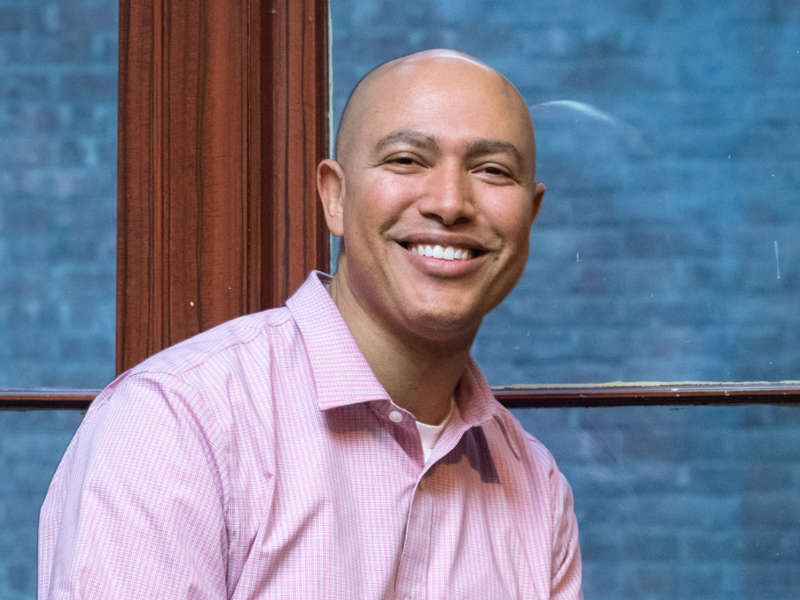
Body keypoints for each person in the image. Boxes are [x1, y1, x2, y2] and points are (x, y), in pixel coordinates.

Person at [39, 49, 582, 599]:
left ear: (530, 217)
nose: (449, 203)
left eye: (492, 170)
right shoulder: (176, 425)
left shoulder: (535, 486)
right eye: (406, 160)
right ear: (336, 197)